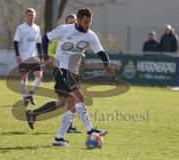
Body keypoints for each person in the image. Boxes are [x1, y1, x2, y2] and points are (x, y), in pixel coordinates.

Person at [26, 8, 114, 147]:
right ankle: (90, 130)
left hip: (73, 72)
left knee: (65, 104)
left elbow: (101, 52)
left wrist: (107, 65)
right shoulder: (65, 29)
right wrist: (45, 56)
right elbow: (45, 39)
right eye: (85, 22)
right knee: (78, 97)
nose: (87, 25)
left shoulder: (91, 35)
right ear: (78, 20)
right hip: (61, 68)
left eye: (89, 22)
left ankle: (55, 135)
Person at [49, 14, 81, 134]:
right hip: (61, 71)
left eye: (74, 22)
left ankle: (34, 114)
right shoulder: (60, 37)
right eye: (70, 22)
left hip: (72, 70)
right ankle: (67, 128)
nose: (72, 24)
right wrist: (57, 59)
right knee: (71, 99)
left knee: (63, 102)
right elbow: (50, 51)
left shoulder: (78, 37)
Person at [13, 8, 43, 105]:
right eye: (29, 15)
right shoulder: (21, 28)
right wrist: (17, 55)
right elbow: (15, 42)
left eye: (32, 15)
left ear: (35, 17)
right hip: (24, 57)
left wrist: (41, 56)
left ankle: (30, 94)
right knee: (24, 78)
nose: (31, 17)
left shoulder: (37, 28)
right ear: (26, 16)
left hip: (34, 57)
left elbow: (39, 43)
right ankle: (25, 97)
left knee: (39, 76)